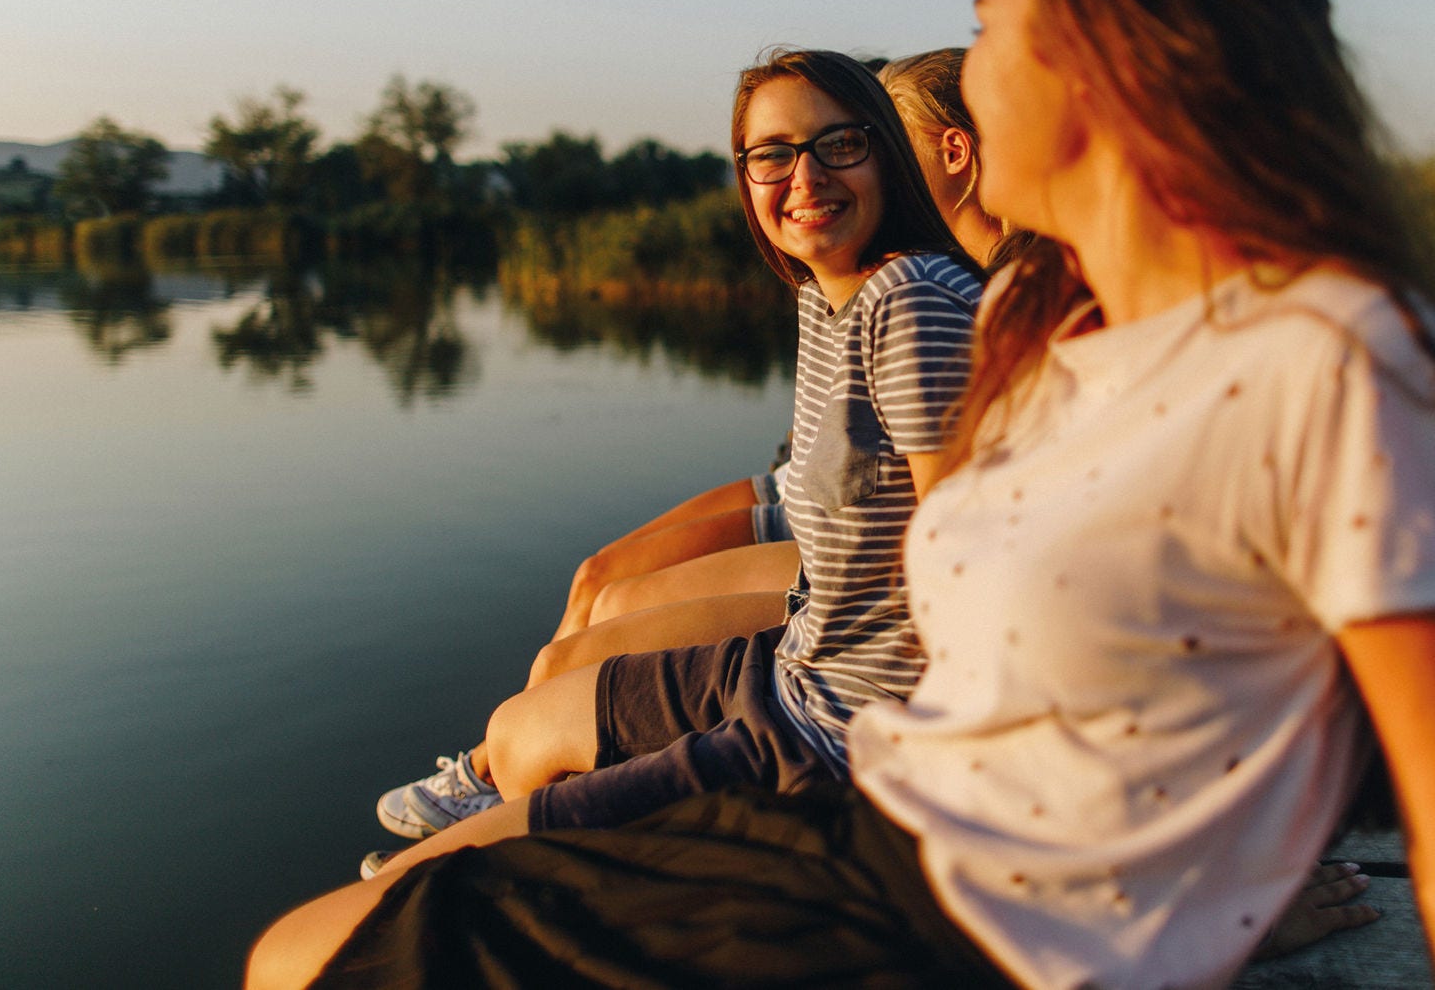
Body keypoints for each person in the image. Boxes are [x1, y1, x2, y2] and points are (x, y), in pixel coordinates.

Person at [252, 0, 1435, 990]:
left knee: (315, 959)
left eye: (987, 29)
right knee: (300, 942)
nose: (954, 86)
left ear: (1113, 58)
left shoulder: (1340, 362)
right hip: (888, 825)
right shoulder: (1074, 338)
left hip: (971, 919)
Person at [365, 49, 985, 850]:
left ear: (886, 155)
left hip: (842, 730)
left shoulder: (910, 300)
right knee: (521, 729)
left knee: (426, 878)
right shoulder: (828, 295)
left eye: (839, 146)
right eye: (773, 155)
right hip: (798, 666)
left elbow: (969, 562)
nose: (805, 178)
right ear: (746, 173)